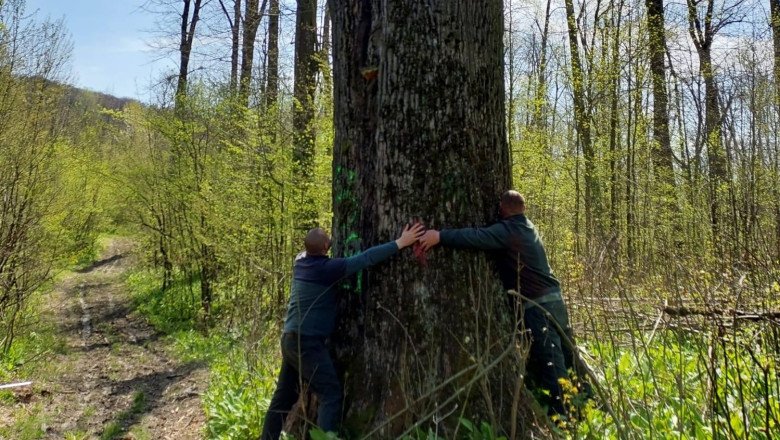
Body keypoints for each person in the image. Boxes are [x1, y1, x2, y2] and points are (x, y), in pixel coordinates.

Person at [418, 190, 580, 416]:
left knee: (552, 360)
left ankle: (565, 415)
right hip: (554, 299)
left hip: (539, 305)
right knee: (567, 353)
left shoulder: (509, 231)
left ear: (502, 208)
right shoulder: (528, 226)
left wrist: (440, 236)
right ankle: (584, 403)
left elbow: (476, 237)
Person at [261, 223, 425, 440]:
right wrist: (400, 242)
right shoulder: (328, 269)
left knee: (283, 398)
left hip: (290, 338)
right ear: (325, 249)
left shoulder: (300, 262)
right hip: (307, 343)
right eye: (328, 241)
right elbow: (365, 258)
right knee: (330, 393)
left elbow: (310, 248)